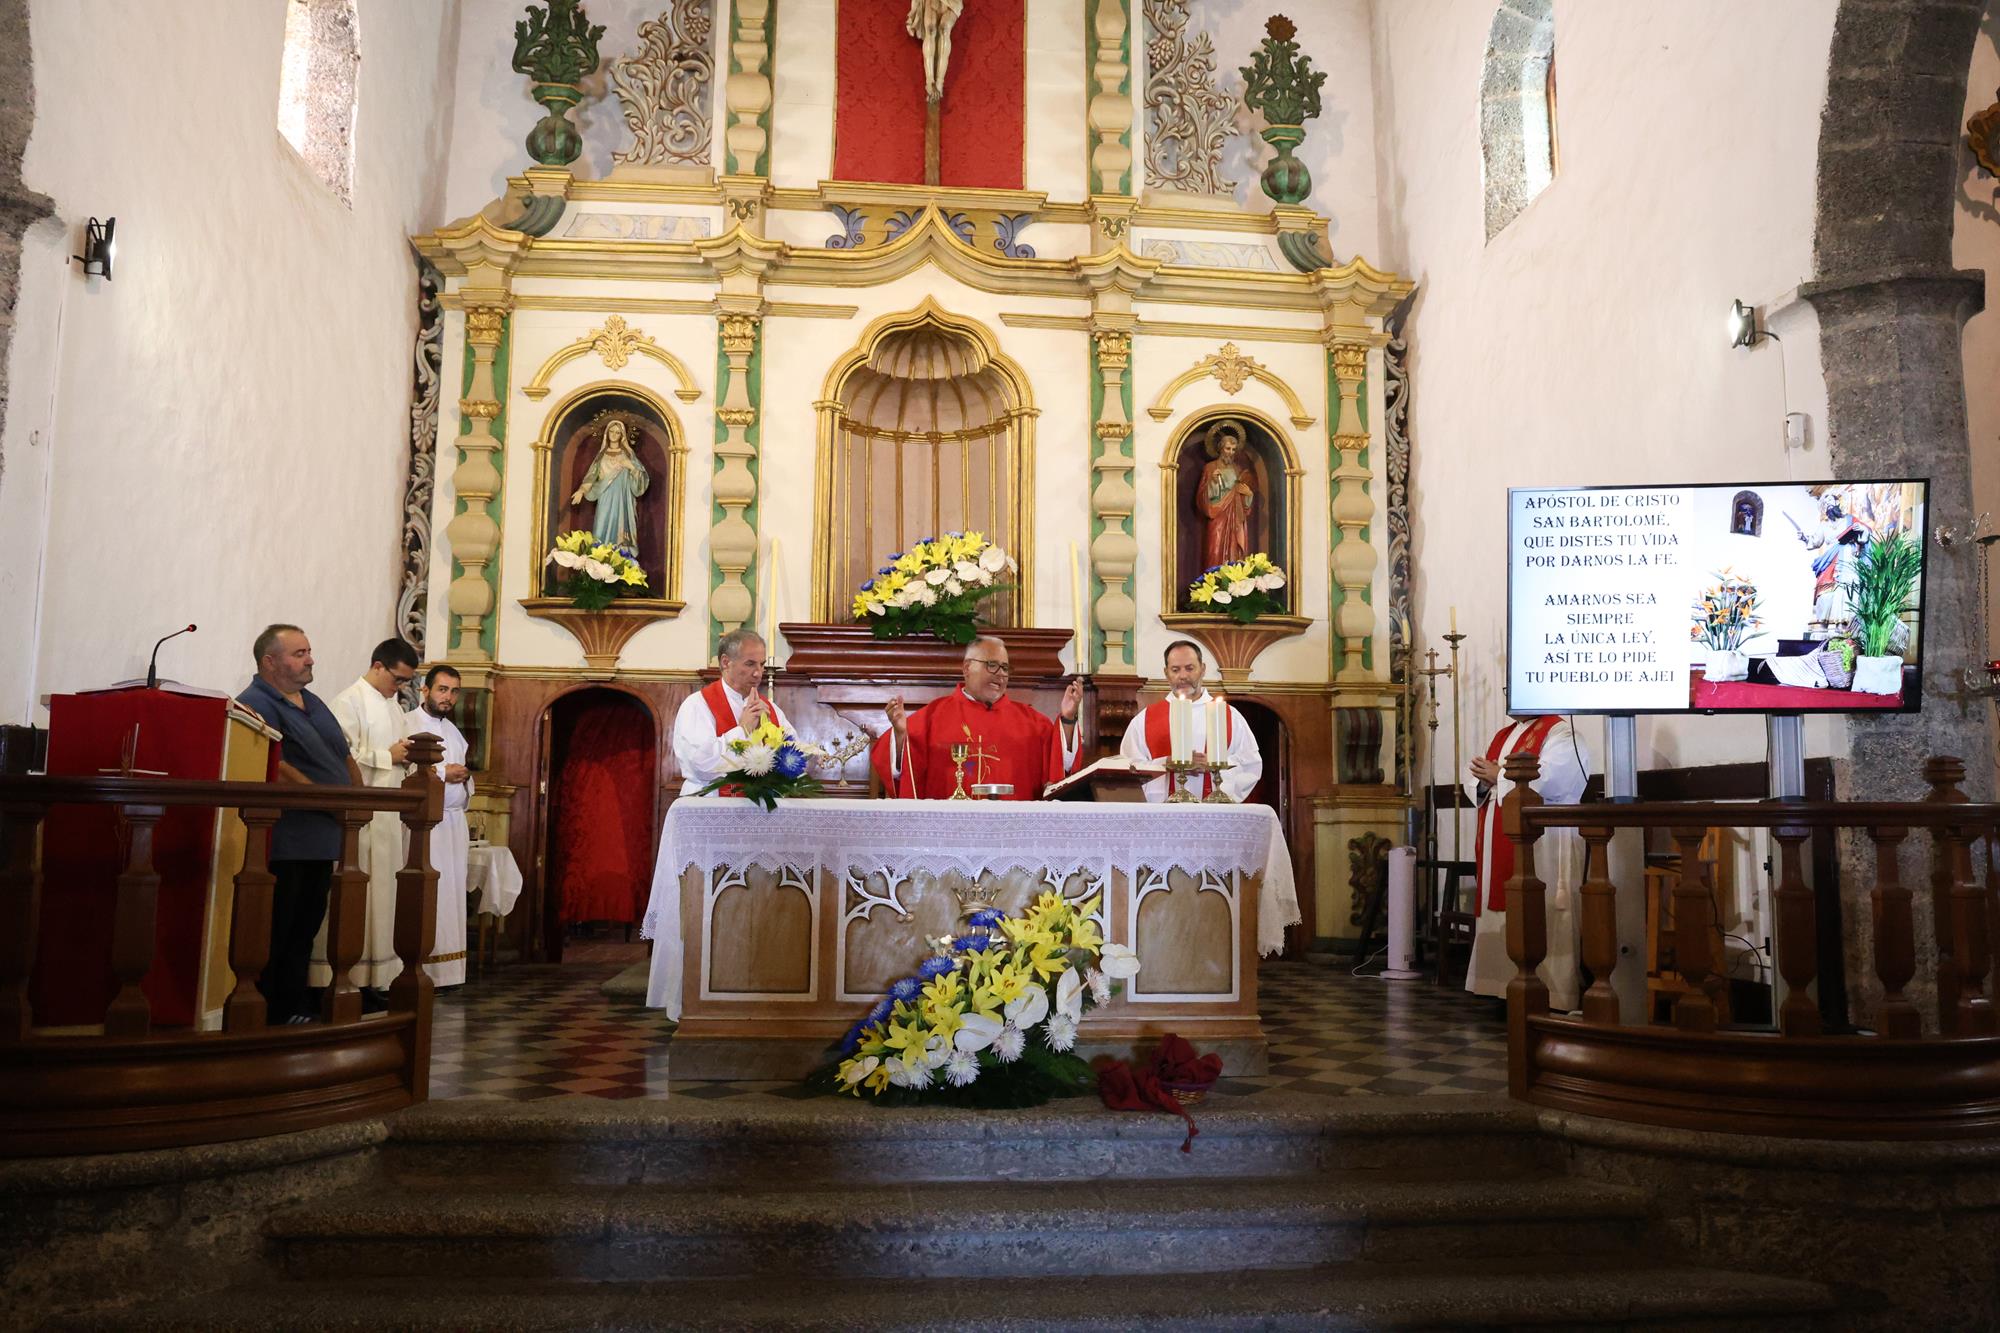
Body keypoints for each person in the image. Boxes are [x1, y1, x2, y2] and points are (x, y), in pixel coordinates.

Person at [235, 624, 360, 1025]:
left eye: (309, 651)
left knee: (307, 925)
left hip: (324, 834)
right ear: (269, 661)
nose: (309, 659)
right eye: (298, 653)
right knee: (279, 926)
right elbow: (277, 762)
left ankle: (295, 1006)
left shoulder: (312, 700)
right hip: (286, 837)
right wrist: (324, 799)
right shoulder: (254, 702)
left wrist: (356, 799)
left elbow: (342, 752)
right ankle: (274, 1009)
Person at [1463, 711, 1589, 1010]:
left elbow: (1554, 783)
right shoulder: (1503, 736)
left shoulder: (1562, 733)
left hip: (1544, 840)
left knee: (1539, 908)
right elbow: (1476, 781)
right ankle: (1497, 986)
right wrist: (1485, 782)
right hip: (1498, 832)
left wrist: (1498, 778)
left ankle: (1553, 993)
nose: (1510, 700)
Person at [323, 639, 418, 1007]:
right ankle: (347, 980)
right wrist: (387, 756)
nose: (400, 688)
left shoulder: (391, 705)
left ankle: (376, 979)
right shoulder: (348, 702)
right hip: (359, 821)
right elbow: (340, 761)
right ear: (378, 666)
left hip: (388, 818)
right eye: (397, 679)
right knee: (359, 901)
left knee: (383, 900)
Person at [872, 636, 1084, 800]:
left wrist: (1067, 719)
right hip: (948, 839)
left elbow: (1060, 773)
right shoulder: (932, 717)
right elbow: (900, 772)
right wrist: (901, 735)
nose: (1000, 674)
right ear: (967, 668)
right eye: (992, 665)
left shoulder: (1033, 723)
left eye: (1005, 668)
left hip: (1013, 840)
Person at [1119, 640, 1262, 802]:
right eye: (1175, 670)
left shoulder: (1228, 715)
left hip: (1214, 816)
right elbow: (1128, 768)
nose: (1183, 676)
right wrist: (1166, 762)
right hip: (1162, 816)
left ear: (1202, 669)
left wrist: (1216, 763)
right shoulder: (1145, 720)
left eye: (1190, 668)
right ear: (1166, 673)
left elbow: (1250, 764)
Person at [404, 665, 472, 989]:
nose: (448, 697)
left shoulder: (455, 733)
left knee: (452, 896)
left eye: (454, 691)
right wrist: (446, 773)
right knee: (433, 896)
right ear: (425, 690)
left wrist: (462, 778)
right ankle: (425, 969)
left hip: (453, 825)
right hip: (426, 826)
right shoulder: (408, 724)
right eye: (443, 689)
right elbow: (404, 773)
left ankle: (450, 972)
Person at [672, 629, 794, 795]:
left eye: (762, 664)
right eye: (750, 664)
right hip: (709, 805)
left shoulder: (771, 709)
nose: (759, 673)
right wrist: (743, 730)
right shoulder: (697, 705)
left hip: (760, 808)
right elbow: (702, 765)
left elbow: (794, 755)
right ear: (725, 662)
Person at [570, 415, 651, 554]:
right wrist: (581, 491)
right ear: (607, 434)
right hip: (605, 496)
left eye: (617, 432)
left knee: (621, 525)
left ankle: (623, 557)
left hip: (622, 498)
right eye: (612, 432)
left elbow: (641, 475)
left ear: (622, 435)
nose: (614, 435)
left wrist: (630, 466)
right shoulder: (601, 455)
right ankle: (599, 557)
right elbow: (591, 476)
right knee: (602, 525)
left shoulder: (628, 453)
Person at [1197, 420, 1255, 570]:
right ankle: (1212, 584)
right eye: (1228, 448)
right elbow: (1202, 498)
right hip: (1217, 517)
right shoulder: (1210, 468)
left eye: (1234, 449)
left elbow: (1243, 501)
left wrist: (1248, 495)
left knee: (1234, 554)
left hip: (1235, 518)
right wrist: (1213, 483)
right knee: (1214, 551)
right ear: (1220, 449)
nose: (1230, 452)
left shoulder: (1238, 469)